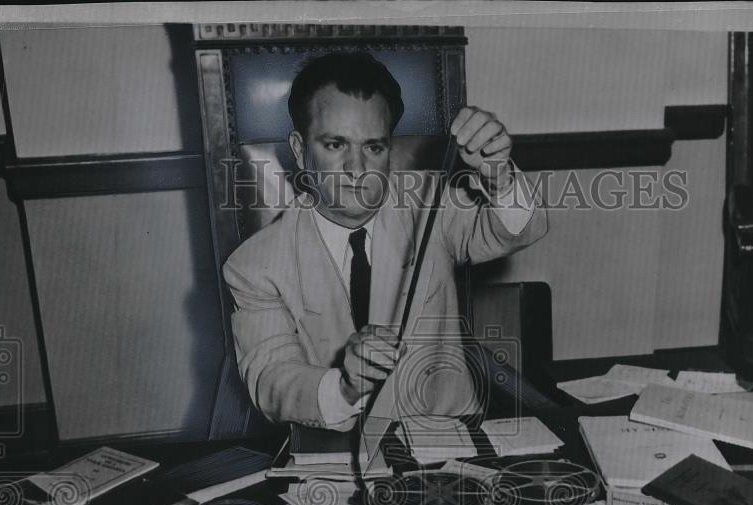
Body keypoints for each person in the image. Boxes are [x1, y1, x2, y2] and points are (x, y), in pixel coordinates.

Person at [223, 51, 548, 431]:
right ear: (299, 150)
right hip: (333, 452)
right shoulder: (253, 267)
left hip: (445, 439)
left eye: (373, 147)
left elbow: (514, 229)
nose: (357, 169)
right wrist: (345, 386)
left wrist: (499, 177)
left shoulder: (431, 203)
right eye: (335, 145)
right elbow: (270, 380)